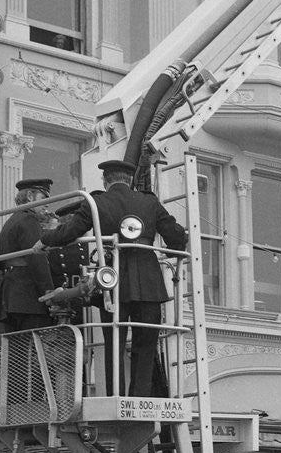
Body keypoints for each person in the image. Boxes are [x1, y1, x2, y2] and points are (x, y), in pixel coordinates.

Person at [37, 158, 188, 397]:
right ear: (130, 181)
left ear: (105, 181)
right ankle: (140, 397)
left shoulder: (96, 202)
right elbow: (176, 238)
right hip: (149, 282)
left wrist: (44, 239)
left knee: (113, 342)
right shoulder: (150, 202)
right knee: (146, 343)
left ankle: (115, 396)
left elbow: (70, 232)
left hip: (112, 281)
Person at [0, 178, 56, 332]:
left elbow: (9, 252)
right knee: (32, 351)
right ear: (30, 196)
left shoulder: (12, 220)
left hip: (11, 297)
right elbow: (36, 257)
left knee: (15, 351)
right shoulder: (29, 220)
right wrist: (49, 293)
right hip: (29, 299)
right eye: (44, 198)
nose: (48, 204)